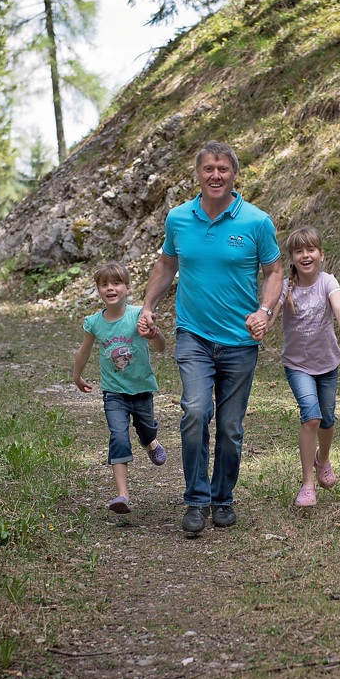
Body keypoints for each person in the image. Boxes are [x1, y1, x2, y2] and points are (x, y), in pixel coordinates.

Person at [137, 141, 282, 534]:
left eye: (223, 169)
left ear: (234, 174)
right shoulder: (179, 219)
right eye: (208, 169)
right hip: (194, 336)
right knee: (196, 412)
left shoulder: (256, 221)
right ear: (198, 174)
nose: (215, 175)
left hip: (240, 340)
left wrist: (265, 312)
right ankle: (197, 500)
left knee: (231, 428)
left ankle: (223, 498)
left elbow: (273, 272)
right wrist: (147, 306)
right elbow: (167, 264)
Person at [269, 227, 340, 507]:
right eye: (299, 251)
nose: (305, 255)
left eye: (310, 250)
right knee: (311, 417)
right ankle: (307, 483)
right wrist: (262, 324)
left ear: (321, 254)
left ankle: (324, 459)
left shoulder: (327, 282)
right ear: (292, 258)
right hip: (297, 365)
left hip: (327, 363)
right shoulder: (286, 286)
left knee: (327, 419)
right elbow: (270, 312)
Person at [73, 261, 167, 514]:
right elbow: (84, 350)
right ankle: (122, 495)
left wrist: (154, 334)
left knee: (146, 429)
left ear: (127, 287)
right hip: (114, 393)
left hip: (141, 389)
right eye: (104, 285)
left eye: (116, 283)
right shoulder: (94, 322)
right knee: (118, 436)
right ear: (99, 290)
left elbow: (161, 348)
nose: (110, 288)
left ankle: (150, 444)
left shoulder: (138, 315)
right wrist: (77, 375)